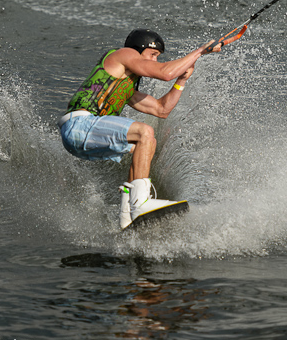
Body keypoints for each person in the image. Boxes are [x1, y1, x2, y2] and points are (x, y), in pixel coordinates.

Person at [58, 29, 221, 229]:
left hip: (83, 137)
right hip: (79, 125)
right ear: (139, 49)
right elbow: (165, 73)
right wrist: (200, 51)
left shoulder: (126, 86)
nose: (154, 60)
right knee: (144, 131)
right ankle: (140, 203)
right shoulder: (122, 54)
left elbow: (162, 110)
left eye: (157, 57)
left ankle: (127, 212)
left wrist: (182, 81)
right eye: (152, 55)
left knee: (146, 144)